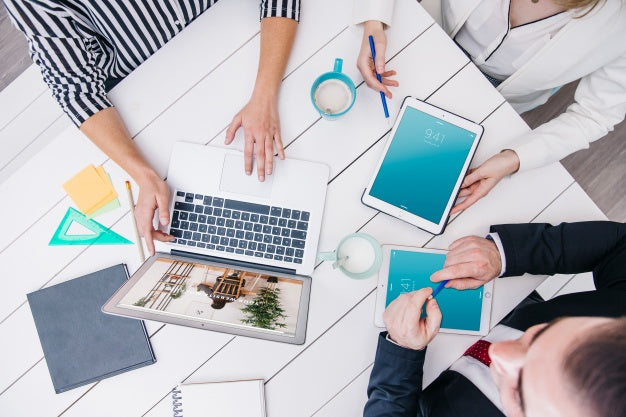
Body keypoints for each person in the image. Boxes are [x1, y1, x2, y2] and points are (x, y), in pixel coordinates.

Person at [4, 0, 301, 254]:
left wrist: (264, 94)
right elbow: (77, 91)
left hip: (247, 35)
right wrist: (144, 177)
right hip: (150, 99)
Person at [353, 0, 626, 214]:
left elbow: (596, 115)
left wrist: (513, 158)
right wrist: (374, 20)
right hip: (419, 40)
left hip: (492, 101)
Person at [364, 221, 626, 416]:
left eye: (519, 392)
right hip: (498, 296)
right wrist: (504, 255)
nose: (498, 351)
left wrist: (401, 349)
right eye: (538, 336)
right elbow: (620, 245)